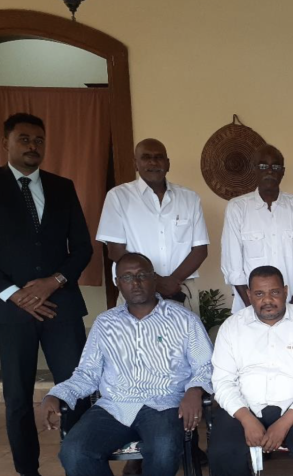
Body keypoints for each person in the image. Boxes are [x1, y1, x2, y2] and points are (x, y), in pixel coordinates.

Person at [39, 252, 214, 476]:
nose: (136, 283)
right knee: (74, 452)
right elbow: (87, 373)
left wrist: (195, 390)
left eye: (142, 275)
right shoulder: (105, 323)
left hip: (164, 405)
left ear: (154, 278)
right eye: (127, 277)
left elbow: (205, 365)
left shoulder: (184, 320)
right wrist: (56, 394)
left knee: (163, 449)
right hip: (114, 406)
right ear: (117, 283)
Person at [0, 113, 93, 476]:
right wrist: (13, 293)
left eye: (39, 140)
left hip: (61, 305)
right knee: (18, 397)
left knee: (77, 389)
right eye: (24, 139)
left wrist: (54, 281)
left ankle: (80, 462)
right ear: (6, 143)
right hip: (11, 310)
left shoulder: (62, 187)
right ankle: (28, 470)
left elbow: (82, 248)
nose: (32, 146)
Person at [209, 265, 293, 476]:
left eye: (274, 292)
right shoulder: (232, 327)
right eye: (259, 294)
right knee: (223, 452)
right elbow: (222, 381)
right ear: (249, 295)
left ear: (285, 291)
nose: (267, 300)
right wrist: (246, 419)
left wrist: (284, 423)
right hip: (244, 406)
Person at [96, 138, 209, 311]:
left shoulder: (190, 198)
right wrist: (156, 281)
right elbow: (115, 250)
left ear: (168, 164)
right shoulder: (118, 197)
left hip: (181, 288)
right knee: (134, 330)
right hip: (136, 288)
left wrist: (173, 282)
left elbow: (200, 249)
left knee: (188, 329)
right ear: (136, 164)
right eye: (146, 157)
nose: (153, 162)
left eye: (159, 157)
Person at [221, 143, 293, 312]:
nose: (269, 171)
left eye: (275, 166)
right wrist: (252, 308)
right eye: (263, 166)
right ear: (254, 170)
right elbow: (233, 266)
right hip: (248, 307)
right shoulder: (237, 208)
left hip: (291, 305)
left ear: (282, 172)